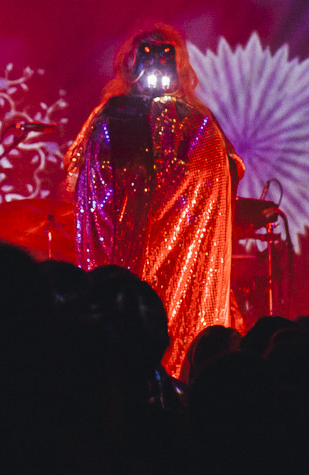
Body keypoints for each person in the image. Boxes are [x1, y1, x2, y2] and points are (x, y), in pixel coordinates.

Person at [63, 22, 242, 376]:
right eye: (147, 55)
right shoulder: (111, 115)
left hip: (185, 258)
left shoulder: (198, 121)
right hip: (127, 249)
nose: (157, 66)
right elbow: (84, 179)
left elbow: (221, 178)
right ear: (131, 63)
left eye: (165, 56)